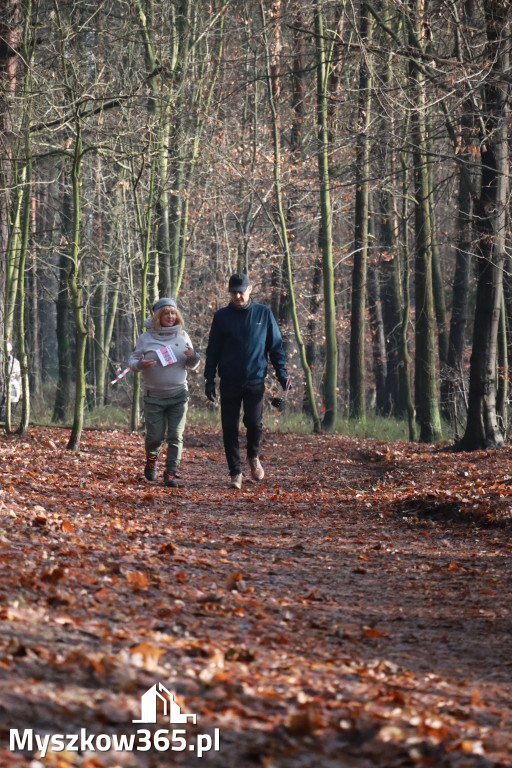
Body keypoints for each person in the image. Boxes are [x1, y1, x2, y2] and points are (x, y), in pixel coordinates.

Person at [204, 272, 290, 489]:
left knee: (253, 423)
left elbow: (275, 347)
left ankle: (253, 456)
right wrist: (208, 378)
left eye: (241, 292)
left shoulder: (264, 313)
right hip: (229, 381)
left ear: (250, 290)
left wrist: (282, 374)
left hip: (255, 379)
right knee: (229, 428)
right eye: (233, 292)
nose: (237, 296)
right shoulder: (221, 317)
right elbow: (213, 349)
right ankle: (235, 472)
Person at [129, 297, 200, 488]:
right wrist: (140, 364)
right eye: (166, 313)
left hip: (178, 395)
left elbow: (193, 364)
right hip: (154, 397)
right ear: (158, 316)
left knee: (176, 436)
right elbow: (133, 361)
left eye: (173, 313)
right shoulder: (145, 337)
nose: (170, 316)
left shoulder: (182, 336)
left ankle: (170, 473)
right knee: (154, 437)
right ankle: (151, 460)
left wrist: (194, 357)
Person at [1, 341, 21, 420]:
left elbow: (19, 377)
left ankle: (8, 424)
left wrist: (21, 391)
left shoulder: (15, 362)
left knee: (11, 409)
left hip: (13, 388)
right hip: (1, 388)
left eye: (8, 351)